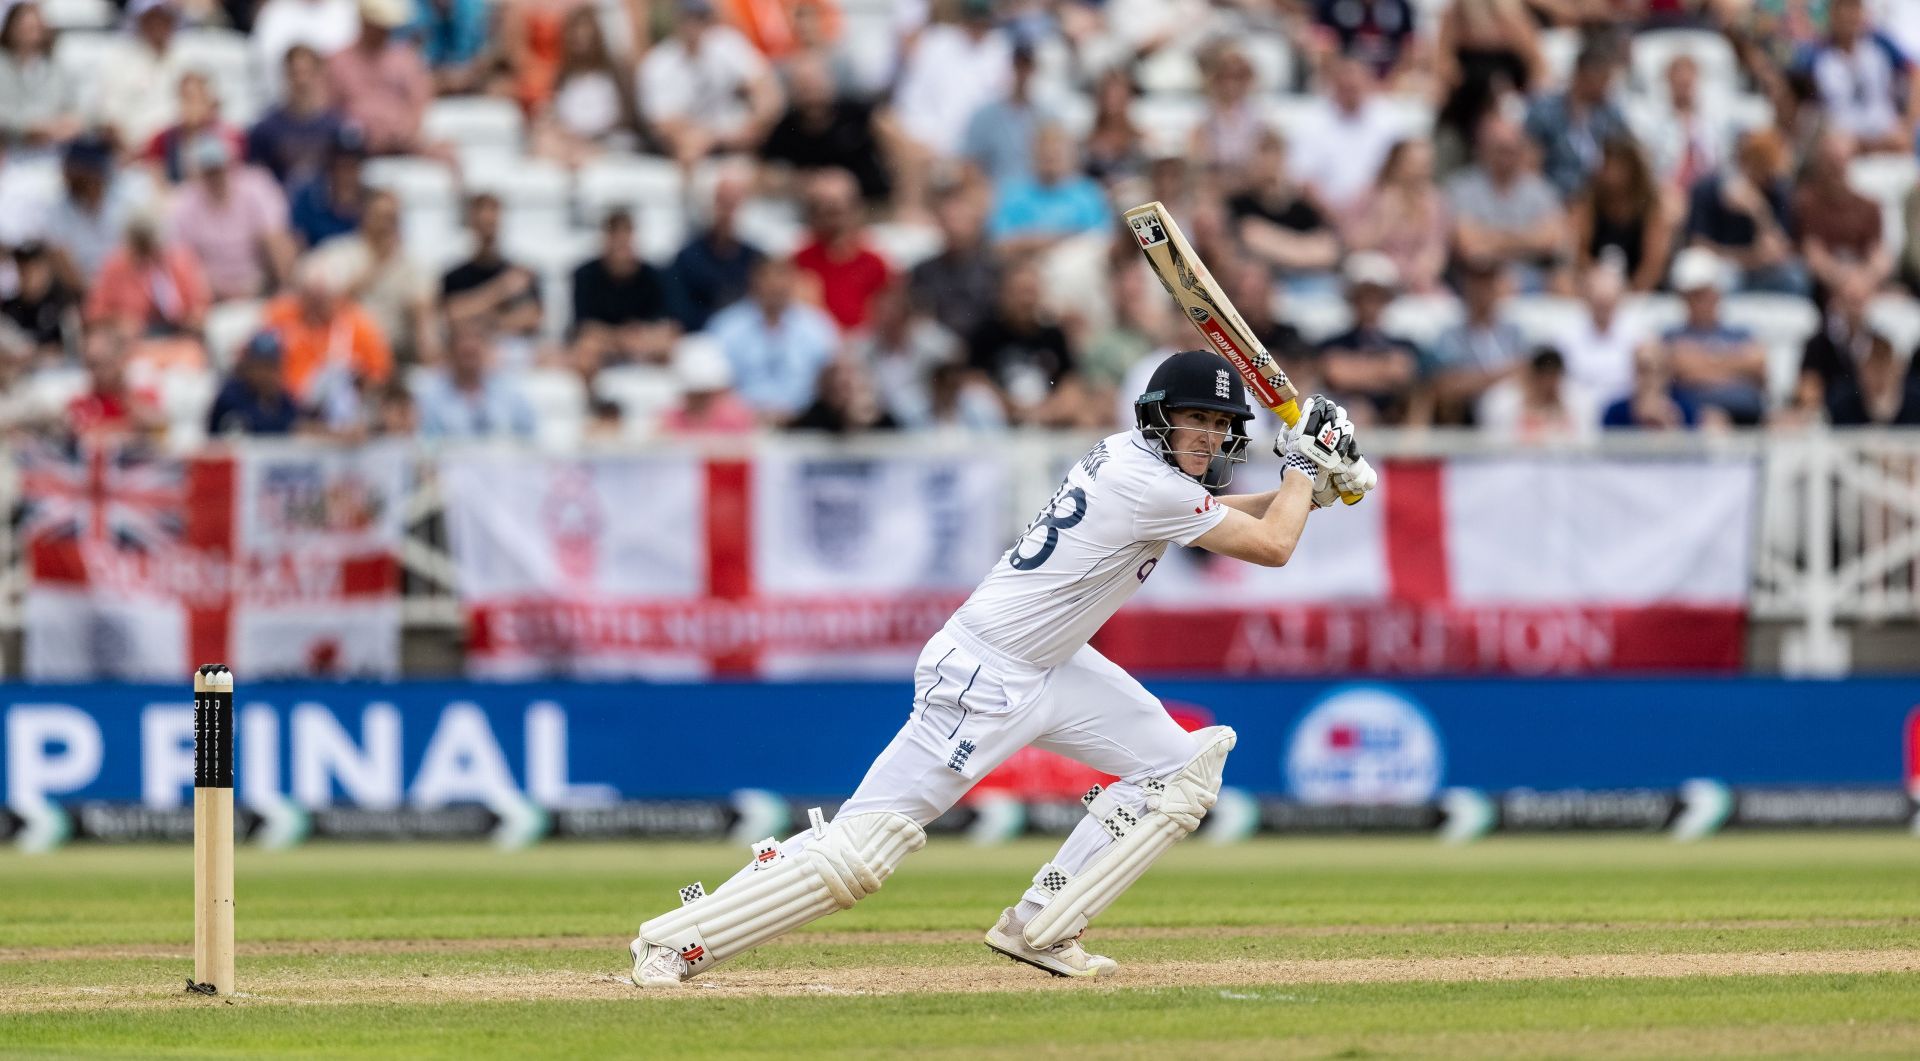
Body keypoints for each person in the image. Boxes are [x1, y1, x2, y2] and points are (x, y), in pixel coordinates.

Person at [627, 349, 1374, 987]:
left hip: (1050, 664)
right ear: (1158, 418)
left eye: (1219, 426)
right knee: (864, 849)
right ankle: (676, 939)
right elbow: (1272, 546)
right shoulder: (1149, 483)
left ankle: (1040, 924)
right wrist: (1307, 471)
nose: (1208, 437)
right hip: (984, 676)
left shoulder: (1132, 458)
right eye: (1195, 420)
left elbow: (1247, 516)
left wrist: (1313, 488)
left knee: (1179, 770)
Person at [639, 0, 782, 166]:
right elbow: (663, 125)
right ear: (677, 20)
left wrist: (755, 124)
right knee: (688, 151)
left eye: (701, 18)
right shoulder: (658, 63)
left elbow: (766, 89)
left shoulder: (726, 43)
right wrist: (705, 138)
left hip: (735, 143)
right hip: (694, 152)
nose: (694, 24)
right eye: (689, 17)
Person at [315, 187, 439, 366]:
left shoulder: (411, 265)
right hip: (349, 353)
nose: (385, 225)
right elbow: (329, 306)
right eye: (380, 217)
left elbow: (423, 314)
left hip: (398, 355)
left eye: (392, 219)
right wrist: (377, 265)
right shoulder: (339, 253)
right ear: (364, 217)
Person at [705, 255, 838, 421]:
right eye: (767, 277)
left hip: (806, 422)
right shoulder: (725, 327)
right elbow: (714, 384)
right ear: (753, 281)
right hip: (739, 425)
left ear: (793, 281)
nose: (775, 285)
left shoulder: (817, 326)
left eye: (782, 276)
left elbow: (832, 379)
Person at [165, 136, 298, 301]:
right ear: (197, 174)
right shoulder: (183, 203)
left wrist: (278, 280)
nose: (215, 177)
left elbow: (276, 235)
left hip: (259, 277)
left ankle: (285, 295)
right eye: (208, 172)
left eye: (219, 169)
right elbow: (180, 256)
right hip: (211, 288)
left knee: (278, 240)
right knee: (181, 262)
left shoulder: (256, 186)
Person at [1448, 112, 1567, 292]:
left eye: (1512, 150)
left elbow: (1552, 240)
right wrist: (1528, 239)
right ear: (1485, 149)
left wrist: (1490, 239)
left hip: (1532, 278)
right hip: (1479, 280)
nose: (1506, 157)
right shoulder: (1462, 188)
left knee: (1562, 282)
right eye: (1500, 149)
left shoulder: (1540, 190)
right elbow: (1467, 245)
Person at [1684, 127, 1803, 294]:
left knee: (1795, 277)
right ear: (1746, 164)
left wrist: (1759, 211)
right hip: (1724, 266)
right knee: (1714, 276)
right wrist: (1743, 259)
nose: (1770, 178)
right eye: (1764, 170)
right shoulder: (1708, 188)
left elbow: (1777, 252)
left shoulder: (1778, 191)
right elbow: (1698, 244)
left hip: (1761, 272)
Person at [261, 254, 393, 404]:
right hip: (285, 405)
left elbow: (380, 375)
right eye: (311, 299)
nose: (316, 308)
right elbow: (254, 363)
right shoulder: (280, 316)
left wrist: (358, 380)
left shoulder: (359, 324)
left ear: (337, 297)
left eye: (323, 300)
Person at [759, 52, 888, 203]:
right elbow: (766, 173)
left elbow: (900, 148)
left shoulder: (860, 114)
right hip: (813, 209)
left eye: (815, 83)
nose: (811, 92)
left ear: (829, 82)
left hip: (870, 203)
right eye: (803, 86)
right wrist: (801, 181)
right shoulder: (785, 129)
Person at [1660, 247, 1769, 424]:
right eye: (1692, 295)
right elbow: (1679, 366)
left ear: (1716, 293)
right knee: (1713, 422)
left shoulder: (1740, 332)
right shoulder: (1671, 335)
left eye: (1703, 293)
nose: (1699, 301)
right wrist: (1736, 366)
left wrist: (1702, 363)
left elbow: (1759, 365)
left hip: (1751, 418)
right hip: (1694, 421)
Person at [1797, 271, 1920, 424]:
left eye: (1860, 300)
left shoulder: (1883, 343)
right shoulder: (1820, 342)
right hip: (1835, 410)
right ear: (1836, 300)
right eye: (1851, 299)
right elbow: (1809, 387)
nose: (1855, 306)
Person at [1287, 55, 1403, 213]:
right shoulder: (1310, 122)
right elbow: (1302, 177)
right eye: (1344, 85)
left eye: (1354, 86)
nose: (1350, 90)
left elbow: (1399, 171)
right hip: (1321, 212)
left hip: (1378, 211)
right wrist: (1333, 213)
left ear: (1367, 83)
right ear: (1332, 84)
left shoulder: (1388, 120)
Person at [531, 5, 644, 167]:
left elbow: (623, 119)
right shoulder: (563, 75)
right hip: (568, 142)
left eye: (585, 30)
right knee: (544, 140)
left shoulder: (616, 73)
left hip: (605, 142)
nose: (580, 37)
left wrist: (582, 136)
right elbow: (557, 112)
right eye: (574, 31)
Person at [1315, 252, 1421, 425]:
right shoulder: (1331, 343)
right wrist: (1384, 371)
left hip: (1392, 425)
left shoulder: (1404, 343)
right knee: (1358, 409)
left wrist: (1355, 370)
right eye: (1364, 295)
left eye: (1376, 296)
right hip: (1345, 426)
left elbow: (1401, 373)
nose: (1370, 302)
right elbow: (1336, 374)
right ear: (1352, 298)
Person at [1800, 0, 1917, 154]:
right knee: (1835, 151)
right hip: (1843, 134)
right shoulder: (1816, 53)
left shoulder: (1880, 43)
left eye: (1855, 8)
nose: (1849, 16)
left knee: (1905, 143)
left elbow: (1915, 72)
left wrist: (1909, 123)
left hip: (1884, 128)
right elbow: (1800, 97)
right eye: (1844, 9)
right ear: (1833, 14)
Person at [571, 208, 676, 370]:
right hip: (605, 344)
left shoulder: (652, 275)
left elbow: (666, 323)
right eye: (615, 237)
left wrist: (640, 337)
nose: (620, 244)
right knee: (587, 349)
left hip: (642, 342)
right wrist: (619, 337)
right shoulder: (585, 274)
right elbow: (584, 325)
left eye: (625, 237)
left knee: (668, 346)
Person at [326, 0, 435, 157]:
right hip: (354, 150)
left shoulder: (406, 59)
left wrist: (407, 130)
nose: (384, 31)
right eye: (379, 25)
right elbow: (330, 110)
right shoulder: (338, 62)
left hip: (403, 144)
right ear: (365, 22)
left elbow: (419, 101)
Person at [1523, 41, 1629, 201]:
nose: (1606, 87)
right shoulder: (1544, 112)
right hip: (1556, 195)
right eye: (1601, 80)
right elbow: (1531, 166)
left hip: (1601, 200)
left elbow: (1624, 157)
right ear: (1581, 76)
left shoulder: (1611, 114)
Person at [1341, 138, 1447, 295]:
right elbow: (1353, 243)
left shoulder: (1433, 201)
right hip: (1373, 283)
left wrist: (1417, 273)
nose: (1421, 171)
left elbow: (1435, 251)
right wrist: (1385, 219)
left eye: (1426, 165)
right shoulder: (1370, 195)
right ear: (1396, 163)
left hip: (1415, 283)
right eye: (1415, 163)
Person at [442, 192, 543, 355]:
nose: (487, 226)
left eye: (491, 221)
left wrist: (479, 316)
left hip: (513, 353)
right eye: (482, 221)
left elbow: (532, 318)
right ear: (472, 223)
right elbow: (451, 316)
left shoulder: (522, 271)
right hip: (470, 355)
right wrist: (501, 290)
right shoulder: (454, 276)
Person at [1427, 257, 1526, 425]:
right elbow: (1446, 387)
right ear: (1467, 286)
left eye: (1488, 282)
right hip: (1466, 421)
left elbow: (1527, 374)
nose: (1483, 290)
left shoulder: (1513, 333)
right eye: (1477, 282)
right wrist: (1501, 374)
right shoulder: (1450, 336)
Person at [790, 167, 890, 332]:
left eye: (835, 211)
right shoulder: (798, 262)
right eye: (818, 209)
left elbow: (886, 315)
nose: (830, 221)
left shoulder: (875, 264)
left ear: (855, 210)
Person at [986, 124, 1109, 256]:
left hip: (1075, 266)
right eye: (1045, 154)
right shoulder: (1012, 193)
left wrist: (1035, 241)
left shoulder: (1089, 193)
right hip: (1022, 265)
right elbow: (998, 244)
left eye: (1056, 154)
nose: (1050, 159)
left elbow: (1102, 242)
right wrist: (1058, 239)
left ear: (1072, 155)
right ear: (1033, 155)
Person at [666, 166, 763, 331]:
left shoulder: (756, 259)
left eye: (733, 204)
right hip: (701, 339)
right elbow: (680, 312)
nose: (726, 212)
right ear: (710, 205)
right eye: (722, 203)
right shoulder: (688, 258)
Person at [84, 211, 211, 336]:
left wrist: (191, 318)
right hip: (131, 339)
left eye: (150, 247)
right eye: (141, 248)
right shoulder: (115, 266)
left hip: (178, 334)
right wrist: (117, 322)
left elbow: (199, 302)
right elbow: (94, 311)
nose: (146, 256)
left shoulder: (179, 260)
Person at [1572, 140, 1672, 293]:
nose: (1611, 174)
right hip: (1596, 287)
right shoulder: (1590, 202)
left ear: (1632, 170)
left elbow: (1653, 264)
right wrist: (1599, 287)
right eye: (1608, 166)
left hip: (1640, 289)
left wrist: (1630, 293)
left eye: (1618, 167)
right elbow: (1580, 252)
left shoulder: (1650, 206)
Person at [248, 45, 350, 190]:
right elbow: (256, 182)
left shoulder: (336, 127)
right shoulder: (265, 129)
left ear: (319, 74)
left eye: (307, 73)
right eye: (295, 73)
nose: (301, 81)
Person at [413, 320, 538, 438]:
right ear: (450, 353)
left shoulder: (509, 390)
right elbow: (427, 441)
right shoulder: (431, 396)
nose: (470, 362)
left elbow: (529, 434)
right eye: (465, 354)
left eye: (474, 354)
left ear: (485, 351)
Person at [961, 41, 1053, 190]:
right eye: (1018, 65)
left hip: (1037, 200)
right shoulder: (984, 117)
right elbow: (969, 164)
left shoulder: (1047, 116)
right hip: (995, 199)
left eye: (1027, 66)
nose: (1022, 72)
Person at [0, 0, 81, 150]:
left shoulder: (56, 66)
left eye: (34, 28)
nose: (30, 33)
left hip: (52, 150)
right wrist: (31, 127)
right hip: (10, 150)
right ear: (11, 28)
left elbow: (72, 105)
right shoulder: (2, 66)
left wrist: (69, 122)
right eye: (25, 28)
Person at [657, 332, 759, 435]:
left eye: (704, 394)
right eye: (695, 393)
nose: (699, 399)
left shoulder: (736, 416)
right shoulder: (672, 418)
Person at [207, 330, 302, 434]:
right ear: (248, 365)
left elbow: (296, 420)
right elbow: (251, 426)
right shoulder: (231, 395)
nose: (266, 374)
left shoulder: (283, 397)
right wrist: (289, 426)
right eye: (260, 366)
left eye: (272, 366)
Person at [289, 125, 368, 248]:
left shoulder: (373, 201)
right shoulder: (309, 199)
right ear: (330, 166)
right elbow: (297, 241)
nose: (347, 173)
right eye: (341, 165)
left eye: (353, 166)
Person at [789, 355, 897, 433]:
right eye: (837, 374)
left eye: (851, 372)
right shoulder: (813, 418)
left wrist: (863, 420)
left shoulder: (883, 419)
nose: (844, 379)